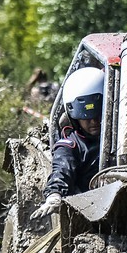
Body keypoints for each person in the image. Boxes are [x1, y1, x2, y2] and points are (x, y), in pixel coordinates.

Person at [32, 67, 104, 219]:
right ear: (74, 117)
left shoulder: (124, 140)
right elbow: (62, 169)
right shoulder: (69, 145)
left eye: (98, 114)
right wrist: (54, 195)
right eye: (86, 116)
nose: (94, 122)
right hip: (89, 213)